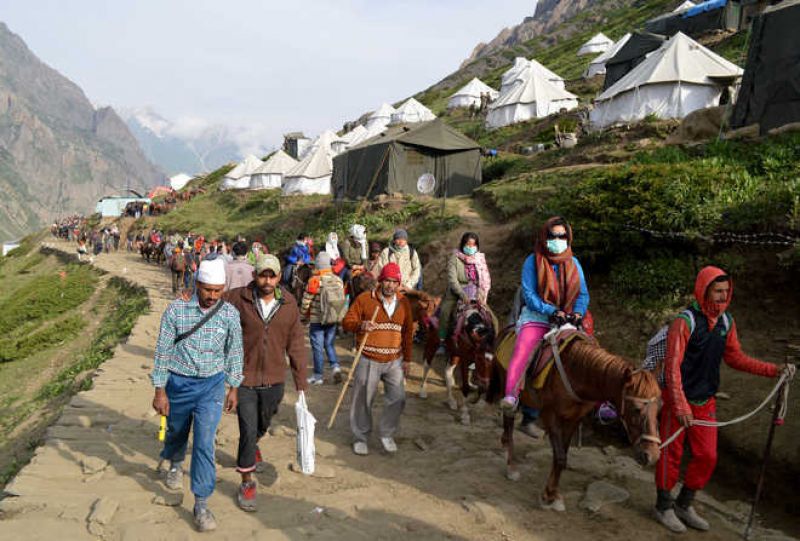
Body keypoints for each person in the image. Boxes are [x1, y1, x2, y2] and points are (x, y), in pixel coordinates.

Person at [653, 266, 795, 533]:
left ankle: (684, 503)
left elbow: (735, 357)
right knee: (670, 454)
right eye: (717, 291)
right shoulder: (684, 322)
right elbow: (672, 367)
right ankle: (663, 506)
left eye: (726, 292)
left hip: (706, 401)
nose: (722, 296)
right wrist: (680, 404)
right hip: (678, 399)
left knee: (707, 456)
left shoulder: (726, 322)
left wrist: (773, 370)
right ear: (704, 290)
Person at [151, 258, 243, 532]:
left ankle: (201, 504)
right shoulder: (176, 310)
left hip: (211, 387)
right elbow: (163, 351)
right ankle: (176, 462)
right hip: (178, 384)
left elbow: (235, 351)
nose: (212, 296)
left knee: (204, 443)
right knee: (177, 432)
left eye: (217, 291)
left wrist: (234, 386)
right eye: (207, 290)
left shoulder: (229, 314)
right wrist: (160, 390)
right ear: (196, 284)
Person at [224, 254, 308, 512]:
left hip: (274, 379)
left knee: (263, 423)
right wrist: (189, 297)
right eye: (263, 275)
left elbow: (296, 345)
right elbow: (211, 299)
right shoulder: (238, 298)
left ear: (279, 277)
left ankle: (255, 443)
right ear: (255, 275)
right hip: (244, 377)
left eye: (272, 275)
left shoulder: (289, 304)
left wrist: (301, 384)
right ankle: (247, 481)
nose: (267, 280)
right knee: (247, 431)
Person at [501, 216, 590, 412]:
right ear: (544, 237)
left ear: (568, 237)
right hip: (538, 317)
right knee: (522, 349)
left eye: (562, 236)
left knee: (591, 353)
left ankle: (602, 403)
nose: (557, 240)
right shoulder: (532, 261)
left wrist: (577, 312)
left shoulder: (574, 262)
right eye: (553, 236)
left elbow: (582, 293)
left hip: (567, 319)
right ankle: (512, 393)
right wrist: (550, 310)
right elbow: (529, 294)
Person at [342, 262, 413, 456]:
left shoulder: (404, 303)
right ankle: (360, 437)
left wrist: (407, 359)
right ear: (380, 281)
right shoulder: (365, 299)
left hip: (394, 359)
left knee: (398, 398)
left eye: (394, 282)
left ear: (399, 284)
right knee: (363, 399)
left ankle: (387, 434)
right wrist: (361, 325)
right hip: (368, 357)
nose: (390, 285)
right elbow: (347, 322)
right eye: (387, 281)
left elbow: (407, 333)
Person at [437, 232, 491, 353]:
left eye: (473, 245)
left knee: (491, 318)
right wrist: (462, 295)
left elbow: (485, 279)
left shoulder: (480, 259)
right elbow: (452, 280)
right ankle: (442, 340)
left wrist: (482, 295)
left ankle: (489, 342)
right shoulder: (454, 258)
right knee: (445, 312)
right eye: (468, 244)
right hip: (457, 292)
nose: (470, 247)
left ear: (477, 246)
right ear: (463, 244)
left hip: (477, 293)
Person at [300, 252, 344, 385]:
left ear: (318, 265)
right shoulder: (338, 280)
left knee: (317, 347)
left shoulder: (314, 281)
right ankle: (335, 366)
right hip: (332, 318)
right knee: (329, 344)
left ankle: (318, 376)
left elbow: (306, 302)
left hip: (317, 319)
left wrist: (302, 316)